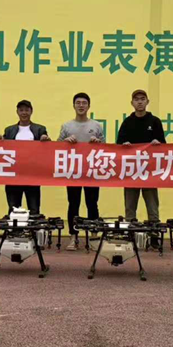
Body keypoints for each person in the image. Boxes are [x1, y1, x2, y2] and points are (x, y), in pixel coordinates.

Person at [58, 92, 104, 250]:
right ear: (73, 105)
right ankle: (73, 237)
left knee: (92, 203)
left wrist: (98, 142)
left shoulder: (97, 126)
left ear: (89, 106)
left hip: (91, 171)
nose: (81, 105)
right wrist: (65, 142)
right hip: (73, 171)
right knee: (73, 204)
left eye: (84, 103)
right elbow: (57, 148)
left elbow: (105, 148)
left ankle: (94, 237)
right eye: (78, 102)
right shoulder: (66, 126)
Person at [117, 89, 166, 236]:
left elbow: (164, 146)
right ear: (132, 103)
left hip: (150, 171)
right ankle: (130, 236)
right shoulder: (127, 122)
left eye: (142, 99)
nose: (139, 102)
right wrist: (124, 145)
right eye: (136, 99)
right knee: (130, 208)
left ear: (147, 102)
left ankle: (154, 236)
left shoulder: (155, 121)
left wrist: (158, 143)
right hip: (131, 171)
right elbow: (118, 146)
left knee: (152, 207)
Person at [0, 99, 50, 215]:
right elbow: (4, 149)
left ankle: (33, 227)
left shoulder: (40, 129)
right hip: (13, 175)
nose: (24, 113)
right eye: (21, 110)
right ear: (17, 112)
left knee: (34, 208)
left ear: (31, 111)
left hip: (33, 174)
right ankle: (14, 227)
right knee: (13, 208)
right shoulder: (9, 130)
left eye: (27, 110)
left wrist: (46, 139)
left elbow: (48, 148)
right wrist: (0, 141)